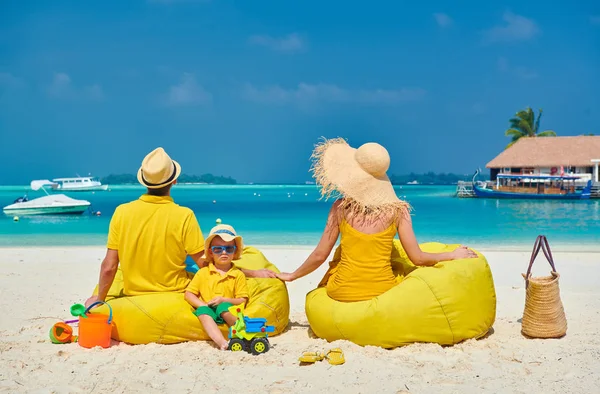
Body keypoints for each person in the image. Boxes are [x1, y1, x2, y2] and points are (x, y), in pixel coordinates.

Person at [276, 138, 477, 302]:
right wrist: (453, 254)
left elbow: (320, 255)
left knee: (339, 256)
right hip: (382, 291)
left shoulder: (339, 208)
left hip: (341, 291)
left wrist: (292, 275)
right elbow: (418, 258)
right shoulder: (399, 211)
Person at [85, 147, 275, 308]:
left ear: (143, 180)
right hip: (175, 292)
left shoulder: (122, 212)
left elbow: (109, 267)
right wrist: (252, 273)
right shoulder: (184, 215)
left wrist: (100, 300)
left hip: (134, 292)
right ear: (174, 180)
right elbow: (206, 264)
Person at [185, 224, 248, 350]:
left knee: (223, 307)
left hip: (228, 311)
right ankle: (222, 343)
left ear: (235, 251)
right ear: (210, 252)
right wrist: (202, 304)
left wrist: (224, 300)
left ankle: (240, 332)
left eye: (229, 249)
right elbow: (189, 294)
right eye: (218, 249)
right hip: (208, 309)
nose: (224, 252)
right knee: (202, 312)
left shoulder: (238, 274)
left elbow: (242, 299)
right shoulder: (203, 273)